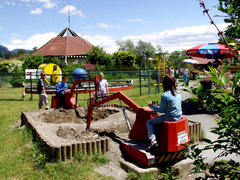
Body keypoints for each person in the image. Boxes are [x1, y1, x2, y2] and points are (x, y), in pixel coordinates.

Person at [146, 75, 182, 151]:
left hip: (170, 117)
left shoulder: (165, 95)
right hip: (178, 116)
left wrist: (151, 106)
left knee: (149, 122)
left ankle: (153, 141)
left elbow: (161, 110)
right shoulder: (178, 93)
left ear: (164, 84)